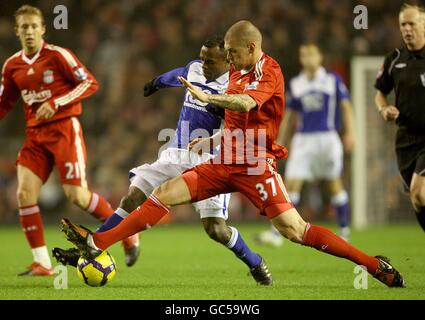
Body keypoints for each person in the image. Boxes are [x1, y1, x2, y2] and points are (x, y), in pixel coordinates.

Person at [61, 20, 405, 287]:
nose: (227, 58)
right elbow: (234, 121)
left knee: (295, 231)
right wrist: (208, 142)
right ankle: (98, 243)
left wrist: (208, 97)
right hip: (224, 159)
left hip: (255, 166)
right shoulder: (236, 72)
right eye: (225, 52)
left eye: (232, 52)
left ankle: (374, 265)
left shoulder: (269, 72)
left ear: (252, 48)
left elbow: (246, 103)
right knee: (163, 193)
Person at [54, 36, 273, 285]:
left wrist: (214, 124)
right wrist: (156, 83)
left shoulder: (234, 89)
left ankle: (255, 262)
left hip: (210, 161)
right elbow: (179, 74)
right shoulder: (194, 69)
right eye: (202, 58)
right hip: (176, 152)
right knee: (133, 196)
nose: (203, 65)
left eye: (209, 61)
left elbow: (236, 130)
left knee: (216, 230)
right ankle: (93, 247)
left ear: (227, 60)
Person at [0, 5, 138, 276]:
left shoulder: (58, 55)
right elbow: (4, 102)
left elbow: (90, 83)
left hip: (64, 129)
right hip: (35, 137)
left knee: (77, 196)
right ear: (17, 31)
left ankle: (127, 235)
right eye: (24, 27)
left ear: (43, 29)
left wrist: (57, 101)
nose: (29, 31)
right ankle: (42, 262)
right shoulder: (12, 65)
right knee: (24, 194)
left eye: (33, 26)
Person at [255, 44, 355, 247]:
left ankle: (344, 231)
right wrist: (280, 138)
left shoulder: (332, 80)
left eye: (311, 54)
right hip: (303, 140)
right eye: (303, 55)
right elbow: (290, 114)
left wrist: (351, 132)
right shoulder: (297, 84)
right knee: (291, 184)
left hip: (327, 138)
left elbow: (345, 106)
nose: (307, 58)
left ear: (320, 57)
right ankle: (277, 234)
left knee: (333, 184)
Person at [375, 4, 425, 233]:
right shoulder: (394, 59)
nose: (406, 29)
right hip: (405, 140)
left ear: (423, 24)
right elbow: (380, 93)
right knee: (417, 200)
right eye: (403, 24)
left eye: (411, 23)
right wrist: (384, 109)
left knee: (419, 191)